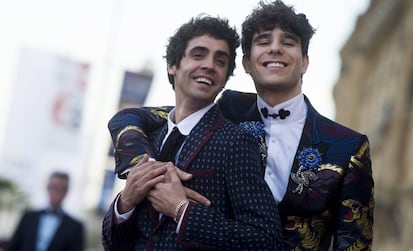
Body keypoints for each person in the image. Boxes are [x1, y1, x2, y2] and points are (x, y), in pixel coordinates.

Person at [106, 1, 375, 250]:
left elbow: (355, 244)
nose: (275, 48)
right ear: (246, 63)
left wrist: (179, 207)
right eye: (263, 41)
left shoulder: (348, 147)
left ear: (305, 61)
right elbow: (129, 118)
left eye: (288, 42)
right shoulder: (227, 107)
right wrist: (144, 168)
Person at [102, 15, 282, 251]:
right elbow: (115, 244)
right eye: (198, 55)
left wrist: (182, 210)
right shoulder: (149, 139)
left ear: (225, 78)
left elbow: (266, 240)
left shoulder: (236, 142)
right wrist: (124, 203)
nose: (209, 65)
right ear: (173, 65)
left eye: (220, 61)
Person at [7, 171, 85, 251]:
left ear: (66, 192)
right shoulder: (28, 217)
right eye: (53, 187)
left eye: (61, 188)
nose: (56, 192)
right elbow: (13, 246)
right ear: (47, 188)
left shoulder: (75, 227)